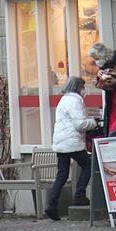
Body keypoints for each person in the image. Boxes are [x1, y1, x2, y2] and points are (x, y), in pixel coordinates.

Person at [45, 76, 98, 221]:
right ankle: (79, 195)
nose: (84, 90)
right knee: (88, 165)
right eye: (83, 86)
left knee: (62, 174)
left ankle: (52, 205)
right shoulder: (75, 101)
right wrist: (94, 122)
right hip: (72, 142)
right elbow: (79, 124)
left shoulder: (63, 99)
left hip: (60, 141)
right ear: (78, 87)